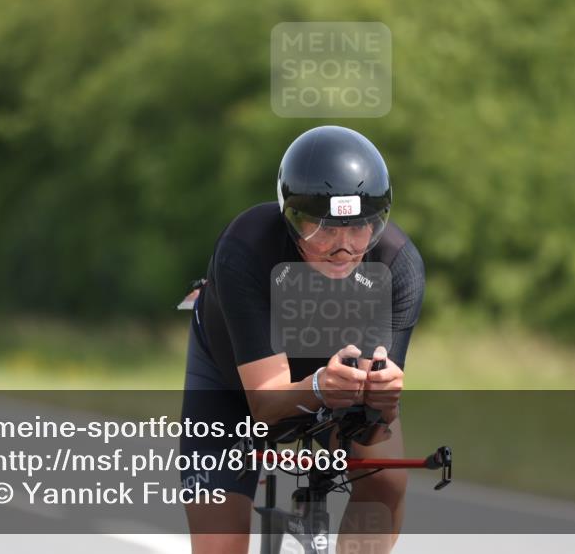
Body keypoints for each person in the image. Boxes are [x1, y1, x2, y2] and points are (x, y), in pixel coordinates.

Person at [180, 125, 425, 554]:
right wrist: (316, 387)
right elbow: (265, 406)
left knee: (386, 479)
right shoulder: (246, 246)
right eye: (323, 229)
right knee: (220, 545)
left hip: (332, 382)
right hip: (234, 382)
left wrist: (380, 402)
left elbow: (369, 428)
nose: (343, 248)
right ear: (291, 219)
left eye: (359, 227)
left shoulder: (397, 264)